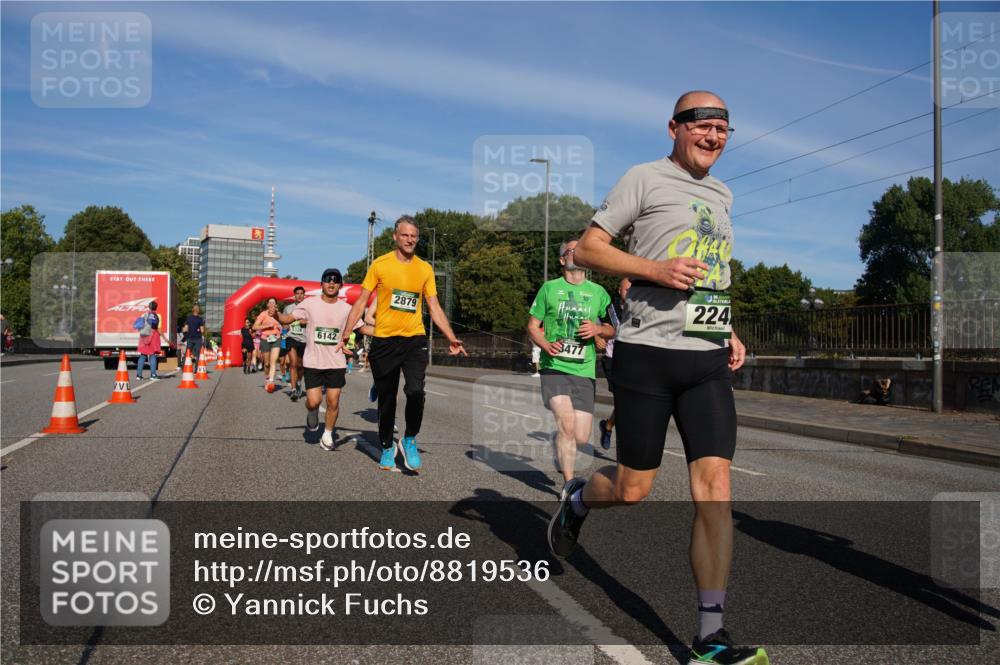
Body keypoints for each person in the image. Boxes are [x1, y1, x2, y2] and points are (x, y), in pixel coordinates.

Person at [548, 92, 766, 665]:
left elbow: (711, 271)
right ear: (674, 127)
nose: (713, 136)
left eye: (723, 127)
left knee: (716, 490)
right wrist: (654, 269)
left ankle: (709, 639)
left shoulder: (723, 194)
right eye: (702, 126)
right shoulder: (642, 178)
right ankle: (578, 499)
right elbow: (590, 247)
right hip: (645, 354)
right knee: (633, 488)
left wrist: (729, 329)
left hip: (706, 358)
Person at [341, 215, 467, 472]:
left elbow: (434, 306)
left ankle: (409, 438)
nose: (410, 240)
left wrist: (451, 337)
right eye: (405, 235)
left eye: (414, 236)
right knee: (387, 400)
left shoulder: (424, 269)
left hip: (414, 340)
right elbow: (361, 301)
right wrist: (346, 333)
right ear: (395, 237)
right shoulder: (380, 264)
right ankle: (387, 444)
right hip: (385, 341)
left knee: (415, 391)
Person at [526, 239, 614, 498]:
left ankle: (562, 444)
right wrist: (545, 344)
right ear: (563, 260)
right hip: (555, 367)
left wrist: (598, 329)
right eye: (572, 250)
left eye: (581, 249)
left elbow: (612, 328)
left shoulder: (599, 292)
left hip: (584, 370)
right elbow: (532, 325)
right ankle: (569, 483)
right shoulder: (549, 289)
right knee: (566, 424)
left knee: (582, 438)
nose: (577, 253)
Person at [291, 269, 368, 450]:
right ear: (321, 284)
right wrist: (277, 316)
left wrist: (389, 331)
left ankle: (327, 434)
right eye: (327, 280)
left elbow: (363, 329)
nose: (331, 283)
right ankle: (312, 412)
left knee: (333, 400)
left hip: (336, 362)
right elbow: (289, 317)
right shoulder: (310, 304)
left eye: (335, 281)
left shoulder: (348, 309)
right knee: (313, 401)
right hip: (313, 361)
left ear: (340, 285)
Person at [597, 277, 630, 450]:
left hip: (634, 360)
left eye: (632, 288)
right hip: (613, 359)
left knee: (628, 401)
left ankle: (608, 426)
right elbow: (595, 321)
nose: (629, 292)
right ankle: (624, 448)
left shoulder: (641, 308)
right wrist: (597, 336)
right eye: (626, 289)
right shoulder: (610, 308)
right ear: (619, 291)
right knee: (623, 400)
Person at [277, 286, 308, 400]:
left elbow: (312, 322)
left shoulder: (308, 308)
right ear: (294, 295)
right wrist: (285, 327)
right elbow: (283, 322)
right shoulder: (288, 308)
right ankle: (293, 390)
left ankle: (299, 382)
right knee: (293, 363)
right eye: (297, 293)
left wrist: (305, 322)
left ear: (304, 295)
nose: (299, 295)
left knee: (301, 365)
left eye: (301, 293)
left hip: (304, 339)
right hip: (291, 337)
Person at [253, 298, 283, 392]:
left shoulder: (278, 314)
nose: (272, 304)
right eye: (270, 302)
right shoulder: (263, 314)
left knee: (273, 362)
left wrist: (280, 326)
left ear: (276, 305)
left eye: (273, 303)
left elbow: (284, 325)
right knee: (266, 364)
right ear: (267, 305)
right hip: (265, 339)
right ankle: (267, 378)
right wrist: (266, 326)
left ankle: (271, 381)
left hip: (276, 338)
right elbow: (254, 326)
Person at [134, 301, 162, 381]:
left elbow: (139, 325)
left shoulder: (144, 315)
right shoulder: (156, 316)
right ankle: (153, 375)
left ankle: (139, 375)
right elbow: (156, 327)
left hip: (144, 336)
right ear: (156, 308)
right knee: (152, 355)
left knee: (143, 355)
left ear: (149, 307)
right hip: (153, 336)